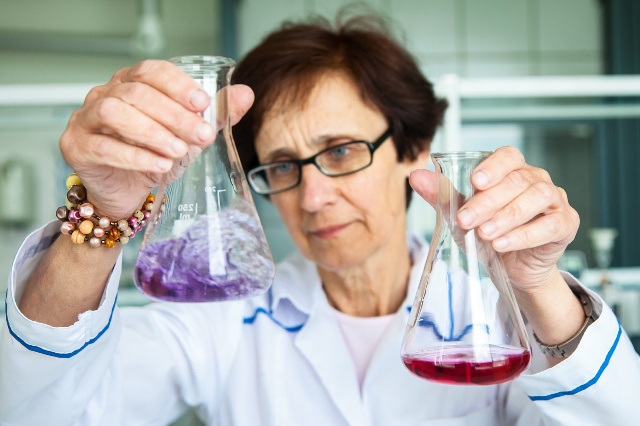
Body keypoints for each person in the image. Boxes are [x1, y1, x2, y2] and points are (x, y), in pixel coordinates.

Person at [1, 13, 639, 426]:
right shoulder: (222, 319)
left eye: (340, 152)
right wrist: (100, 217)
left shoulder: (496, 322)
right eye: (282, 165)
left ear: (414, 150)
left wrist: (536, 285)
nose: (311, 197)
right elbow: (44, 413)